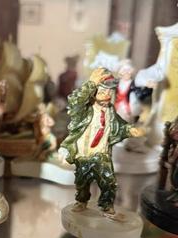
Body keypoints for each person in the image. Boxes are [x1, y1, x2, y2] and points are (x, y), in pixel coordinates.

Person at [59, 67, 144, 219]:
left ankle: (106, 206)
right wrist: (91, 84)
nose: (106, 95)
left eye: (109, 92)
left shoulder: (110, 111)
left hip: (101, 154)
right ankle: (81, 201)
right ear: (93, 92)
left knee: (109, 181)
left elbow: (118, 125)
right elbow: (75, 100)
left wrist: (130, 130)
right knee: (82, 181)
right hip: (84, 154)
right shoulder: (84, 111)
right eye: (102, 91)